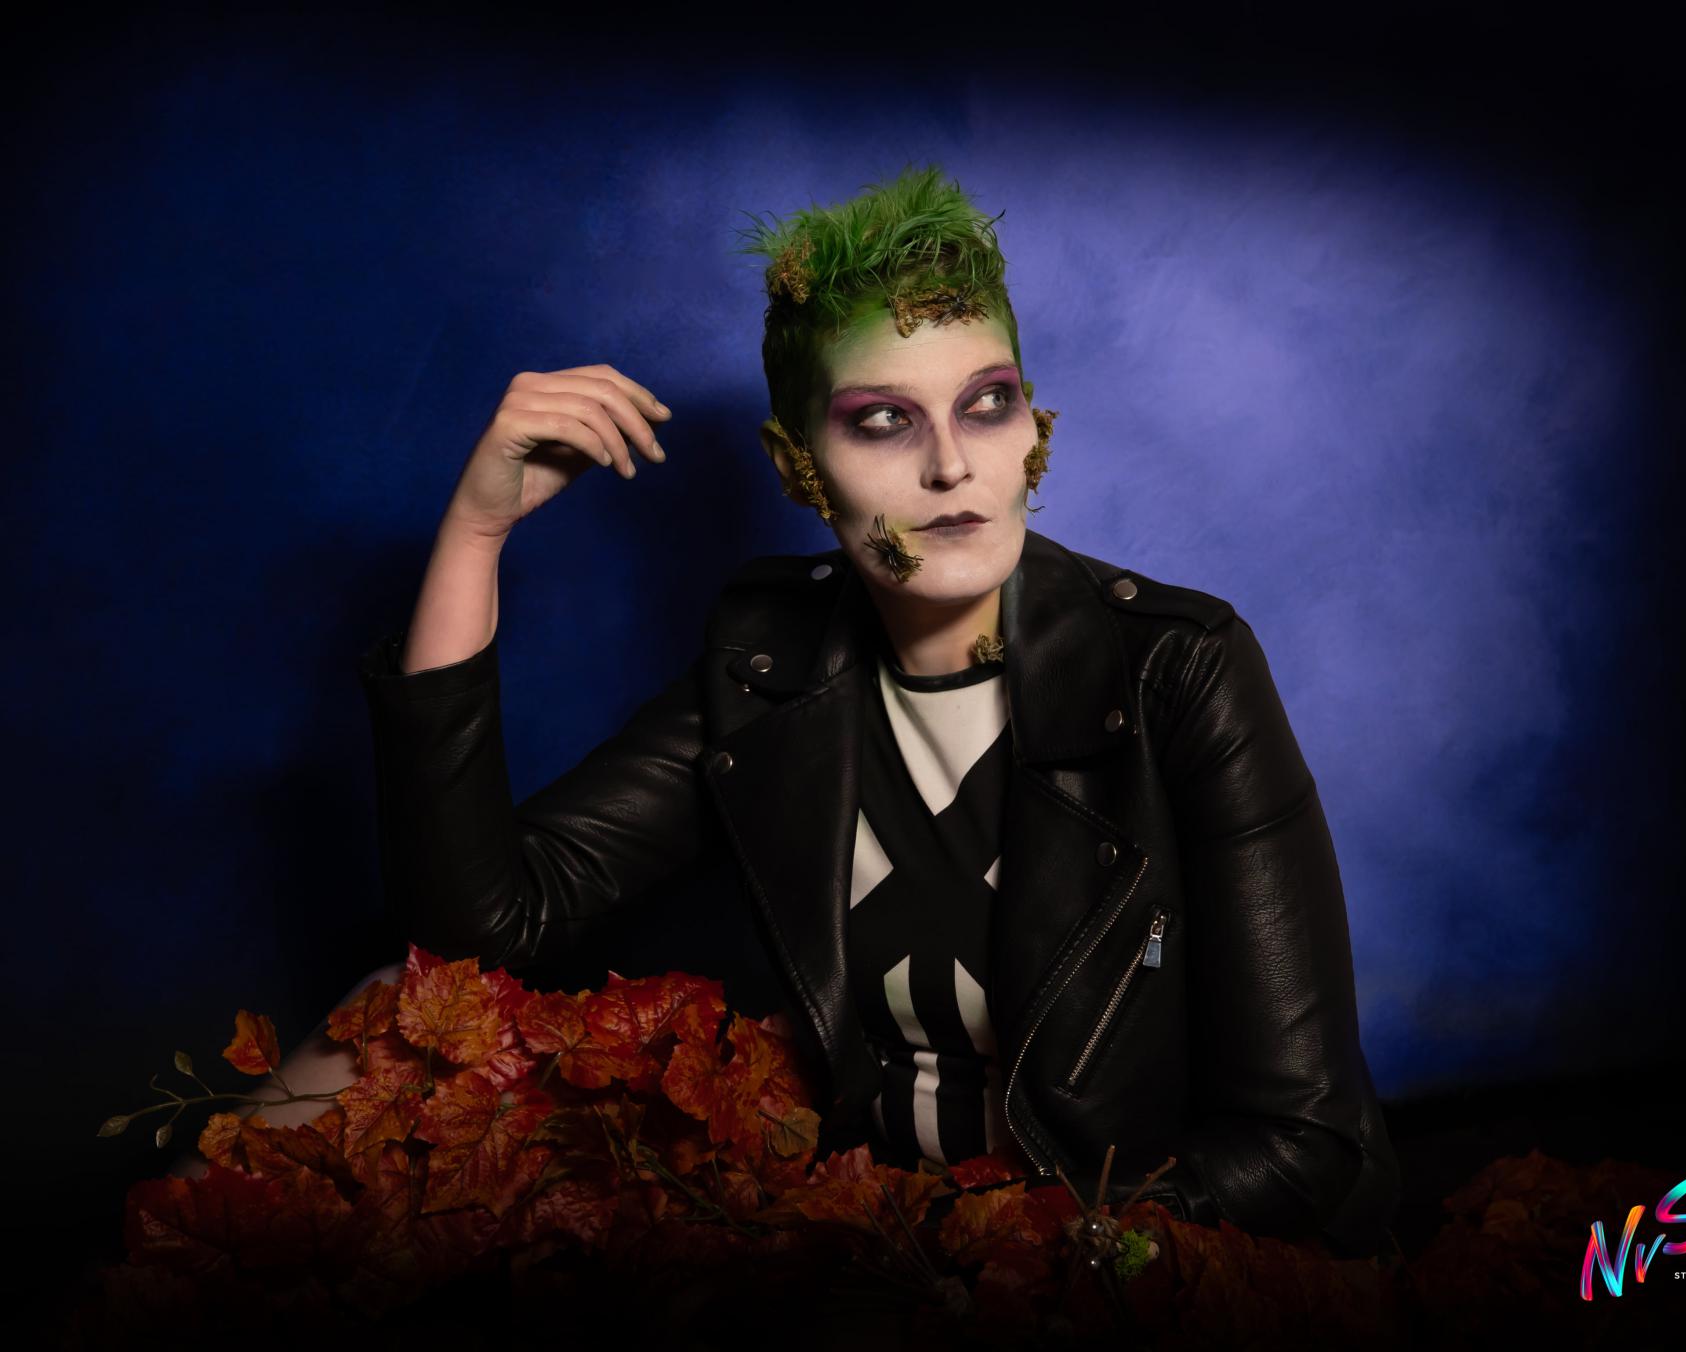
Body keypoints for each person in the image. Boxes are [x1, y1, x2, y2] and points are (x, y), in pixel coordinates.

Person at [169, 166, 1403, 1259]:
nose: (952, 466)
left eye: (987, 402)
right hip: (854, 1219)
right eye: (884, 421)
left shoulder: (1175, 670)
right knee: (378, 1022)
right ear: (797, 465)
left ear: (1031, 426)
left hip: (1095, 1246)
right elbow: (481, 926)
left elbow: (1307, 1140)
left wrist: (1039, 1250)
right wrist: (476, 531)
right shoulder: (772, 660)